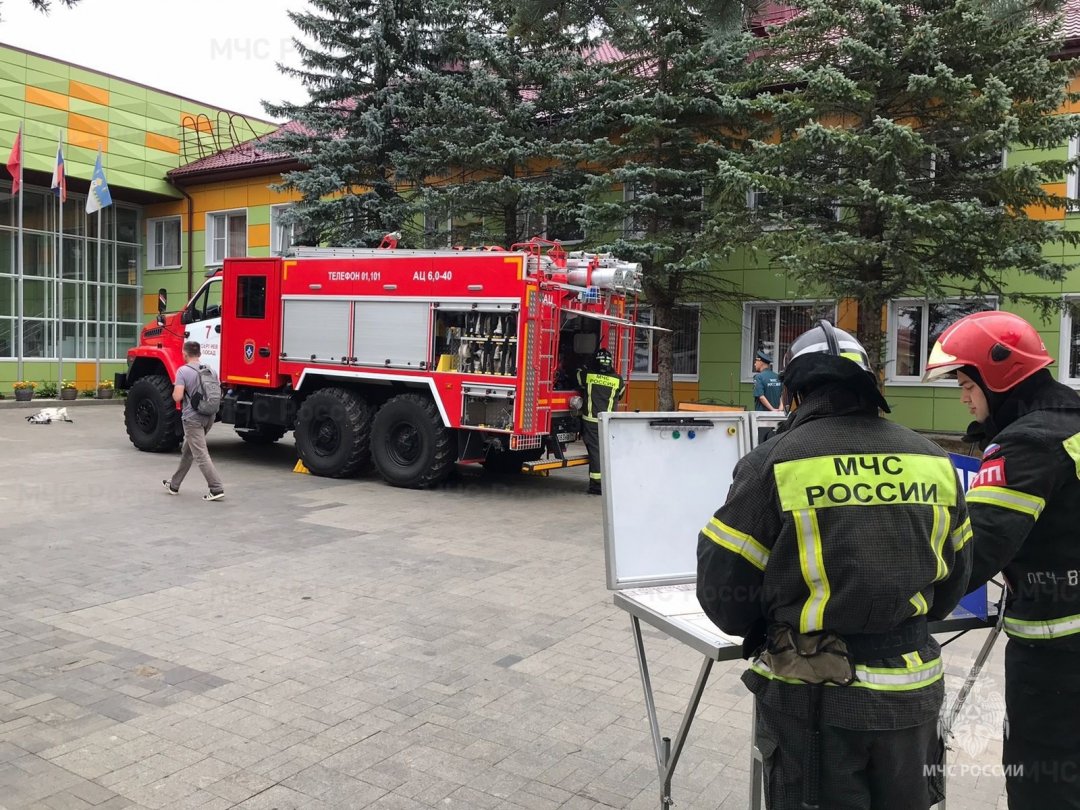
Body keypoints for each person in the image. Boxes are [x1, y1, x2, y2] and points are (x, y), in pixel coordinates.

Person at [698, 320, 972, 810]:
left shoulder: (773, 463)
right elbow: (954, 585)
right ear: (867, 386)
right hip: (913, 694)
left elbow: (723, 593)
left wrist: (771, 624)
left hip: (815, 702)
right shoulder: (935, 460)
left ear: (794, 395)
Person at [923, 310, 1080, 808]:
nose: (964, 398)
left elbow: (972, 553)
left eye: (967, 384)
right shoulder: (1073, 422)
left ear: (999, 377)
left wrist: (896, 598)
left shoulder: (1025, 444)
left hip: (1056, 661)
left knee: (1044, 786)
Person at [163, 340, 225, 501]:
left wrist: (178, 392)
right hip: (209, 416)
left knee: (200, 454)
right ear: (199, 354)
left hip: (192, 419)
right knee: (188, 450)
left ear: (185, 353)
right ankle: (174, 484)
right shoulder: (210, 370)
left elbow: (177, 396)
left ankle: (216, 488)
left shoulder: (183, 371)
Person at [576, 347, 625, 496]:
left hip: (591, 422)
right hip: (608, 423)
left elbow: (578, 377)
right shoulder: (618, 380)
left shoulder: (589, 375)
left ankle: (597, 485)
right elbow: (620, 395)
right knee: (606, 451)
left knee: (596, 453)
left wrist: (584, 365)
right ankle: (608, 481)